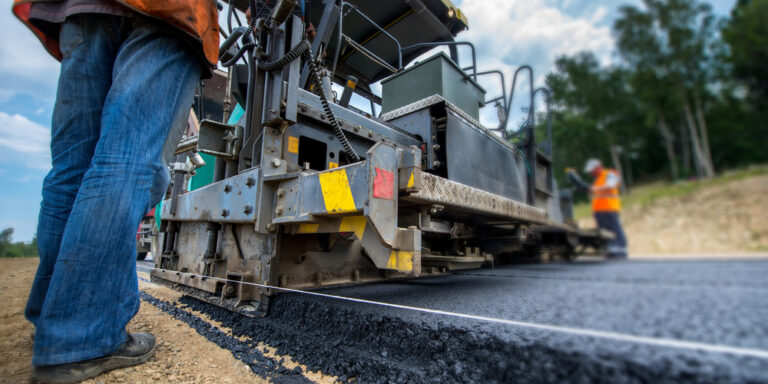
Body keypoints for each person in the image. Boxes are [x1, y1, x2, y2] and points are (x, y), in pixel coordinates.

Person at [11, 1, 218, 382]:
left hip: (80, 12)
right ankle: (85, 337)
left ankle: (52, 323)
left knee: (71, 170)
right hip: (167, 11)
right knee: (126, 163)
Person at [567, 159, 628, 259]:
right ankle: (610, 251)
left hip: (609, 208)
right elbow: (594, 192)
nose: (591, 173)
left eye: (592, 170)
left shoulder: (610, 174)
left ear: (598, 167)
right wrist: (584, 188)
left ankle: (620, 252)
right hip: (599, 211)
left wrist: (590, 188)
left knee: (614, 230)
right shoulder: (598, 179)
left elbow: (610, 186)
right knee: (605, 233)